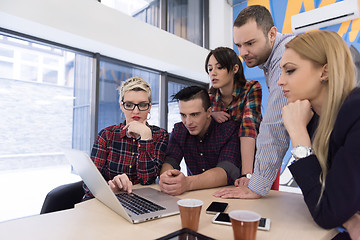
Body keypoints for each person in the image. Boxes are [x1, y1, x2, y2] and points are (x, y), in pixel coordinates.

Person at [278, 30, 360, 240]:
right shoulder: (316, 119)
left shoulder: (356, 112)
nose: (280, 81)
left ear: (325, 71)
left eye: (290, 71)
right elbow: (326, 199)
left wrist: (298, 135)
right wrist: (347, 216)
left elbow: (326, 212)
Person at [214, 5, 294, 199]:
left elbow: (274, 124)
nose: (243, 52)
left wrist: (255, 185)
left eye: (250, 43)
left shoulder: (285, 54)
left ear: (272, 34)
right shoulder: (269, 61)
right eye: (239, 45)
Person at [83, 77, 169, 198]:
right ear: (122, 106)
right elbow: (89, 184)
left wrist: (145, 137)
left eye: (142, 105)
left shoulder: (160, 135)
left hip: (141, 201)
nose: (135, 111)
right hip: (109, 200)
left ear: (149, 107)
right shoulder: (107, 135)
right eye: (129, 105)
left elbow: (147, 180)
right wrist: (111, 188)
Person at [159, 86, 241, 196]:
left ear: (209, 112)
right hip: (193, 197)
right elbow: (170, 161)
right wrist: (167, 178)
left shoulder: (229, 130)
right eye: (183, 115)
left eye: (194, 114)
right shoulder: (180, 130)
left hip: (226, 197)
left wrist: (187, 183)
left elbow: (227, 171)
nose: (188, 122)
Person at [205, 47, 262, 186]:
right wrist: (211, 114)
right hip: (227, 161)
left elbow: (248, 127)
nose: (213, 73)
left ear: (235, 69)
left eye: (219, 67)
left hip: (256, 157)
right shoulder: (210, 97)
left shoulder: (251, 88)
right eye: (210, 69)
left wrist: (247, 174)